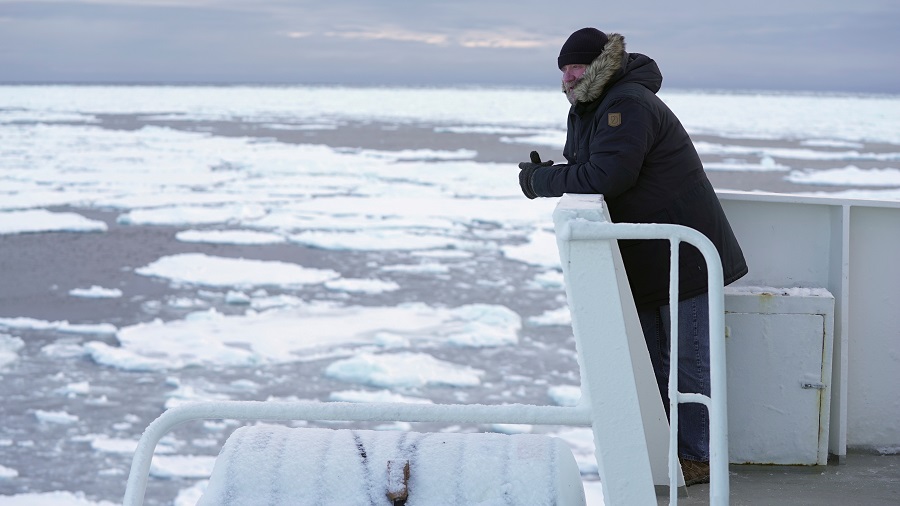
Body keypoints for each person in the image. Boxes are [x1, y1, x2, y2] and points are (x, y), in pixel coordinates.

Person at [517, 27, 748, 486]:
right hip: (649, 256)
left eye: (577, 66)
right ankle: (669, 454)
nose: (568, 75)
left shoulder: (628, 103)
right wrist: (555, 172)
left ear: (602, 65)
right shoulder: (590, 105)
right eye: (563, 68)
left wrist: (542, 183)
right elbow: (588, 163)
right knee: (655, 364)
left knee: (688, 363)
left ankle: (696, 458)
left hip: (683, 254)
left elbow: (609, 174)